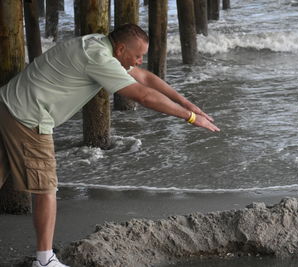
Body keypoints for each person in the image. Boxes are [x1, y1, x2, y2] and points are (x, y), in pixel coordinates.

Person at [0, 23, 219, 267]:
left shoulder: (97, 43)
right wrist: (189, 118)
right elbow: (142, 95)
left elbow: (145, 77)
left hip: (8, 102)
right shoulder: (99, 58)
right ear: (121, 49)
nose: (138, 61)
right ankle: (44, 261)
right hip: (29, 116)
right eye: (137, 56)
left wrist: (186, 103)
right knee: (46, 188)